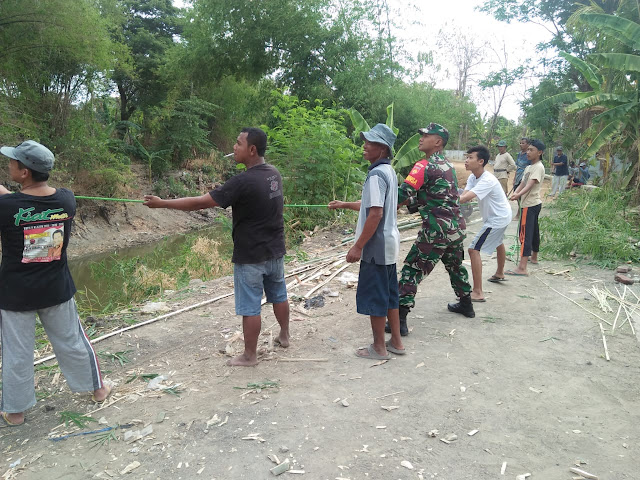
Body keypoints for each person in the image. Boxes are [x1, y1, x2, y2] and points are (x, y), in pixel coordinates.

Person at [144, 128, 290, 367]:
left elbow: (201, 203)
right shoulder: (274, 174)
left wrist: (162, 204)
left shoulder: (242, 181)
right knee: (279, 295)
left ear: (251, 150)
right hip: (276, 250)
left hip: (251, 255)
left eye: (238, 143)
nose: (234, 147)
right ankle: (284, 336)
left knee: (251, 306)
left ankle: (250, 356)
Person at [0, 140, 110, 426]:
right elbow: (16, 202)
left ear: (24, 173)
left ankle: (15, 412)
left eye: (12, 162)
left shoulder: (6, 207)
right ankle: (98, 390)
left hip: (15, 294)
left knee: (17, 353)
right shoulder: (66, 199)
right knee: (73, 341)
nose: (8, 164)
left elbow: (11, 203)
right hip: (56, 289)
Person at [328, 124, 404, 359]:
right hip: (389, 245)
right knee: (390, 295)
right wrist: (344, 205)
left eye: (369, 142)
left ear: (382, 149)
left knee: (376, 296)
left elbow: (375, 213)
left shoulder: (375, 175)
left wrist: (358, 246)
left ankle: (379, 348)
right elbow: (373, 206)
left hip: (376, 247)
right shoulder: (388, 172)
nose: (364, 146)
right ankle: (396, 342)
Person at [392, 122, 475, 336]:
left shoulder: (423, 166)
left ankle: (399, 319)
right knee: (455, 266)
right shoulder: (448, 166)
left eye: (426, 136)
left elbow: (402, 194)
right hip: (455, 228)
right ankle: (466, 303)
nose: (421, 138)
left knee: (412, 268)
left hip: (436, 230)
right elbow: (439, 195)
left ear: (437, 142)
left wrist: (377, 206)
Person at [459, 146, 513, 301]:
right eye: (466, 157)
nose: (466, 160)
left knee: (473, 250)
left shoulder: (487, 179)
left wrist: (441, 199)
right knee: (498, 241)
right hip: (501, 215)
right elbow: (463, 196)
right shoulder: (473, 177)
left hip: (498, 219)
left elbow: (464, 199)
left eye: (470, 158)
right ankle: (500, 273)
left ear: (481, 161)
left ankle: (477, 292)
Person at [507, 139, 546, 276]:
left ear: (539, 152)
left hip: (530, 205)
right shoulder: (529, 167)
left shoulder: (538, 167)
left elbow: (530, 184)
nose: (528, 152)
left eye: (531, 150)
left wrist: (518, 195)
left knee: (524, 235)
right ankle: (533, 257)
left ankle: (522, 268)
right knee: (534, 231)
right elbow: (523, 183)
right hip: (532, 204)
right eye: (527, 150)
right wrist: (516, 192)